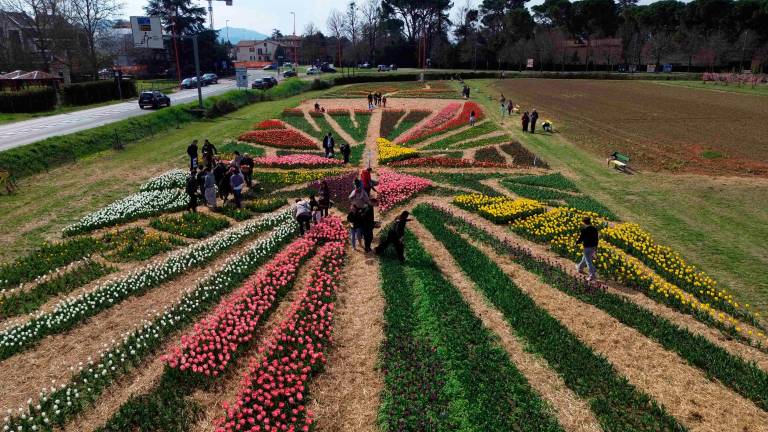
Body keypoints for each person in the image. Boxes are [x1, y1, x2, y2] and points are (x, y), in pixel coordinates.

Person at [575, 216, 599, 281]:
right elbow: (597, 239)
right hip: (593, 246)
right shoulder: (594, 228)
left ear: (583, 222)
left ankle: (592, 274)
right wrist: (596, 248)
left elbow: (581, 238)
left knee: (588, 261)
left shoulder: (584, 229)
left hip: (587, 247)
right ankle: (580, 268)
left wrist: (576, 243)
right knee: (585, 258)